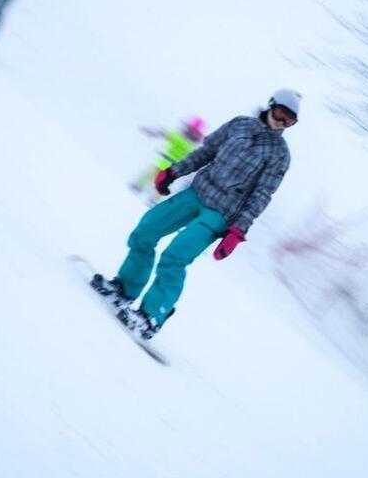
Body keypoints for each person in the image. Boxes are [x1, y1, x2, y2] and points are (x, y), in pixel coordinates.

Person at [91, 89, 301, 339]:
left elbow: (262, 194)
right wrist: (173, 171)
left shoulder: (280, 155)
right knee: (146, 230)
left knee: (175, 256)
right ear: (271, 106)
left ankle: (152, 315)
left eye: (289, 120)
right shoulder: (240, 124)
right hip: (198, 192)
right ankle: (125, 288)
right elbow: (206, 152)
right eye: (280, 113)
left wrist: (238, 230)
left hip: (221, 213)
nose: (281, 122)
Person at [130, 116, 206, 204]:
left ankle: (150, 195)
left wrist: (158, 132)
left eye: (192, 130)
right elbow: (167, 135)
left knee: (158, 179)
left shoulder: (184, 141)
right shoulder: (186, 141)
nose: (189, 131)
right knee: (155, 177)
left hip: (170, 164)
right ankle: (141, 188)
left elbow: (167, 135)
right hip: (168, 163)